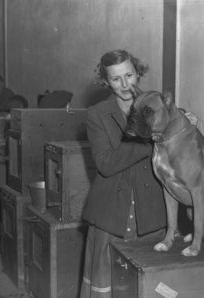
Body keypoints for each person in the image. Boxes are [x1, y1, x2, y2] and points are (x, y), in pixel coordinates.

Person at [80, 50, 167, 298]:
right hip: (111, 214)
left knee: (149, 285)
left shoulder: (158, 105)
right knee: (108, 284)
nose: (125, 84)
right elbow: (106, 164)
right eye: (116, 79)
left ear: (138, 73)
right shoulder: (97, 114)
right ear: (106, 82)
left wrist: (187, 126)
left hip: (150, 212)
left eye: (129, 75)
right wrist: (149, 142)